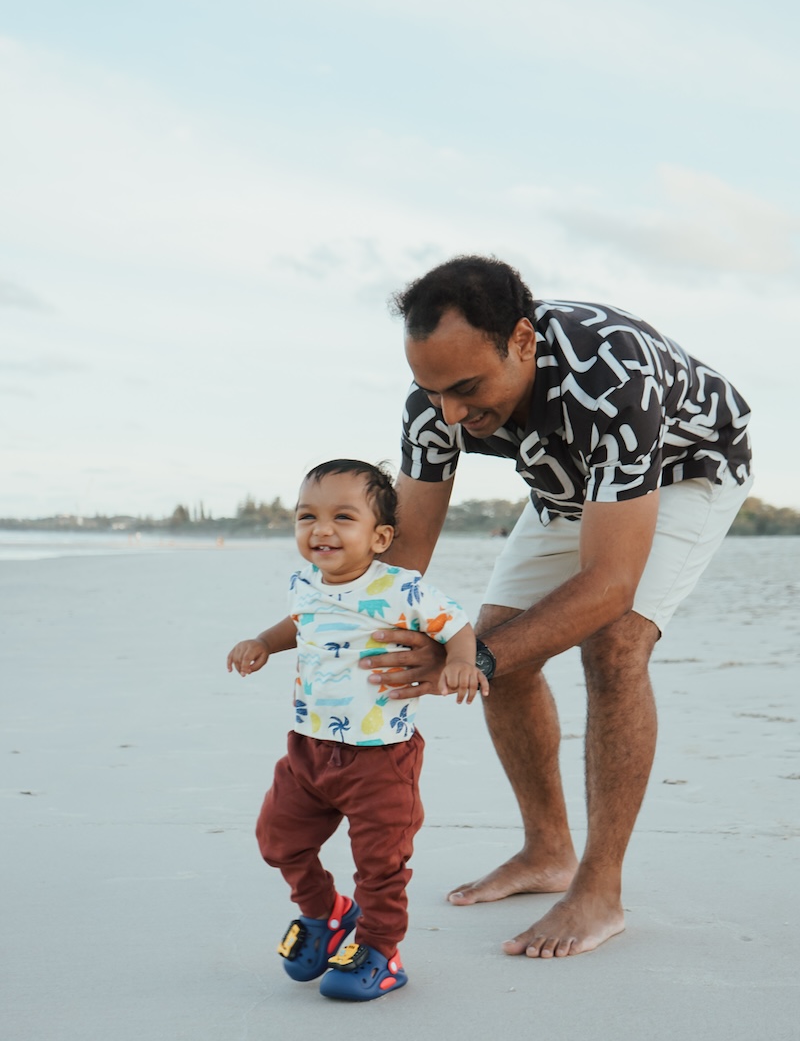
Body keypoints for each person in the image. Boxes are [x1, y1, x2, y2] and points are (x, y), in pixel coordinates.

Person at [356, 255, 753, 959]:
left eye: (467, 389)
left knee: (615, 644)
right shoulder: (436, 400)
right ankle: (548, 853)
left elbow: (610, 583)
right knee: (503, 646)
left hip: (685, 470)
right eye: (433, 391)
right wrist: (355, 645)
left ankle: (600, 889)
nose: (451, 414)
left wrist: (471, 656)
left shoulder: (613, 372)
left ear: (522, 341)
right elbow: (406, 552)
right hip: (567, 481)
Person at [227, 459, 487, 1001]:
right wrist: (264, 642)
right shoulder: (305, 582)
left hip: (380, 758)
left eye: (342, 517)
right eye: (307, 516)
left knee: (380, 864)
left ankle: (380, 950)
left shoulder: (400, 589)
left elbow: (456, 624)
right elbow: (300, 622)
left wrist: (463, 661)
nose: (321, 529)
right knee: (278, 839)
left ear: (379, 537)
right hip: (308, 750)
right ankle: (325, 913)